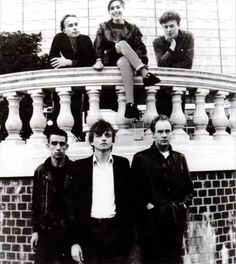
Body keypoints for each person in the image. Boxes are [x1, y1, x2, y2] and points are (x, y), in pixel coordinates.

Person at [131, 115, 194, 264]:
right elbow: (133, 190)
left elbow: (189, 190)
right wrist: (148, 206)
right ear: (153, 133)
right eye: (160, 131)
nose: (164, 135)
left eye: (167, 131)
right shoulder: (141, 159)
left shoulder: (179, 159)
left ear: (172, 133)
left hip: (174, 224)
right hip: (151, 225)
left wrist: (182, 206)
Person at [71, 119, 133, 264]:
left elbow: (129, 202)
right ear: (91, 141)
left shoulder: (123, 165)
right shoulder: (80, 167)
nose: (104, 138)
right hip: (90, 233)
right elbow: (74, 207)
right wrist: (74, 242)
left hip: (116, 232)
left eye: (107, 135)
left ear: (113, 140)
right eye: (99, 135)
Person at [93, 0, 161, 120]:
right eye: (112, 8)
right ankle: (145, 73)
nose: (115, 10)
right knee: (122, 43)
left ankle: (130, 105)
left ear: (123, 9)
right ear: (109, 12)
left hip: (127, 61)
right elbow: (98, 45)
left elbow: (140, 49)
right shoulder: (103, 27)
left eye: (118, 7)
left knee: (124, 60)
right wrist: (99, 59)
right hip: (111, 57)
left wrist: (137, 59)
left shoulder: (133, 28)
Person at [30, 128, 75, 264]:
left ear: (67, 146)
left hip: (67, 232)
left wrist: (75, 238)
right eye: (54, 143)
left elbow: (79, 204)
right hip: (46, 232)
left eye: (62, 144)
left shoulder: (74, 170)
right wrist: (35, 231)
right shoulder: (40, 171)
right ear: (48, 146)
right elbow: (36, 203)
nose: (58, 148)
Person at [49, 14, 95, 140]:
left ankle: (78, 136)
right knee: (60, 115)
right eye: (70, 25)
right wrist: (77, 62)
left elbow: (90, 60)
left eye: (76, 24)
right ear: (64, 30)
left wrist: (69, 62)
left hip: (82, 85)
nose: (75, 27)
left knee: (79, 113)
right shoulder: (59, 38)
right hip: (64, 84)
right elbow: (53, 61)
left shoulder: (85, 40)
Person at [153, 10, 194, 117]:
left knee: (178, 119)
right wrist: (171, 48)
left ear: (178, 25)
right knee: (163, 119)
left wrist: (169, 67)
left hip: (180, 84)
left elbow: (188, 64)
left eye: (172, 26)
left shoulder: (187, 37)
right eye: (165, 27)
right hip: (163, 87)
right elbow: (161, 65)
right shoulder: (158, 42)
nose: (169, 30)